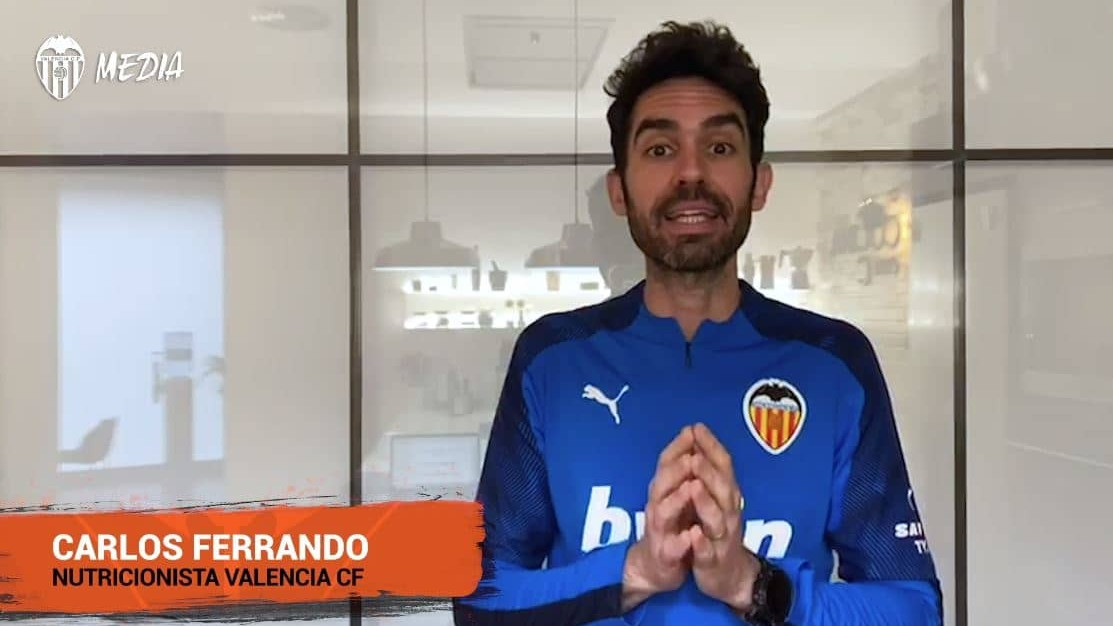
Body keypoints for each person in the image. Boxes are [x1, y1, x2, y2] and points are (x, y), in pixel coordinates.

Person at [453, 20, 942, 626]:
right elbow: (479, 598)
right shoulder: (553, 358)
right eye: (660, 150)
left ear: (759, 183)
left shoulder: (833, 361)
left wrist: (754, 584)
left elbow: (914, 608)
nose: (690, 174)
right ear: (619, 192)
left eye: (719, 148)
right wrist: (633, 571)